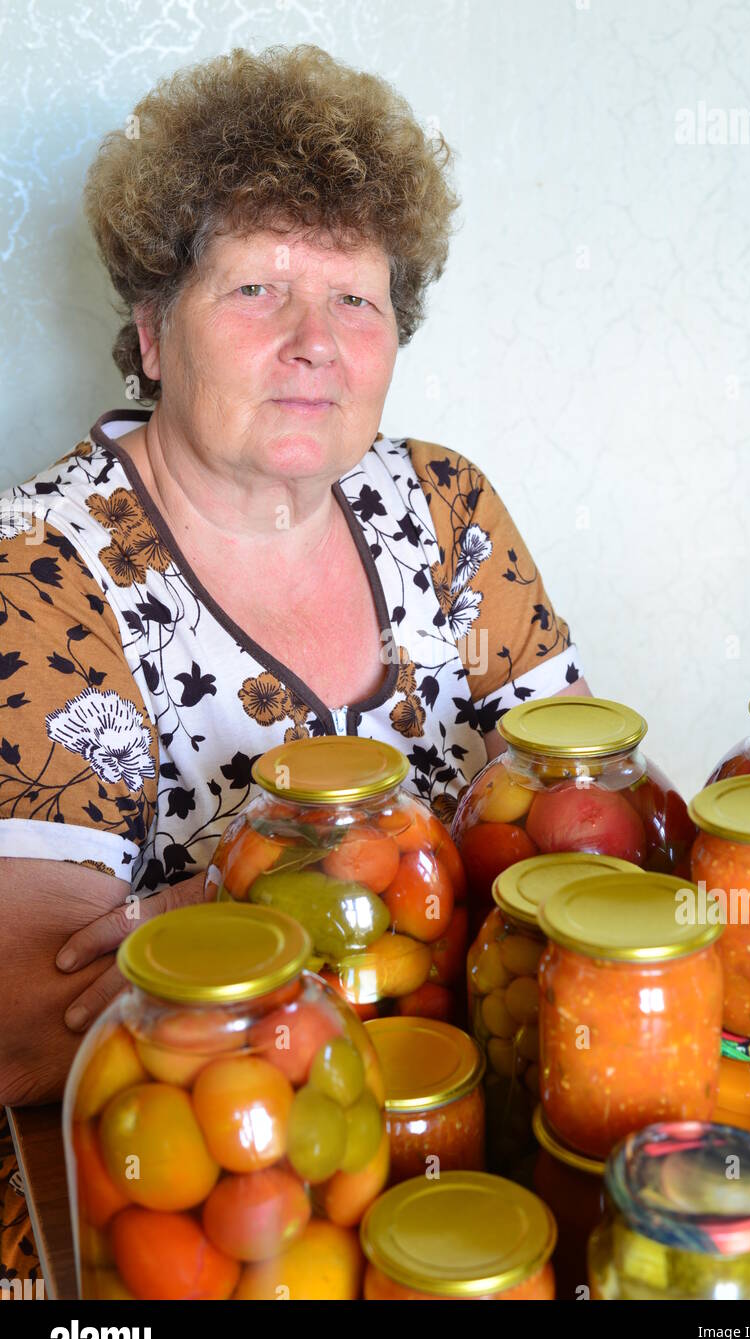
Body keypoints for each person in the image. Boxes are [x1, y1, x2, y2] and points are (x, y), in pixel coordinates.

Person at [0, 44, 588, 1271]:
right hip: (184, 1215)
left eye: (358, 299)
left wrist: (214, 921)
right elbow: (35, 1028)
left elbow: (576, 842)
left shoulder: (444, 506)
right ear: (155, 334)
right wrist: (425, 901)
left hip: (457, 1150)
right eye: (261, 290)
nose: (318, 341)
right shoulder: (37, 569)